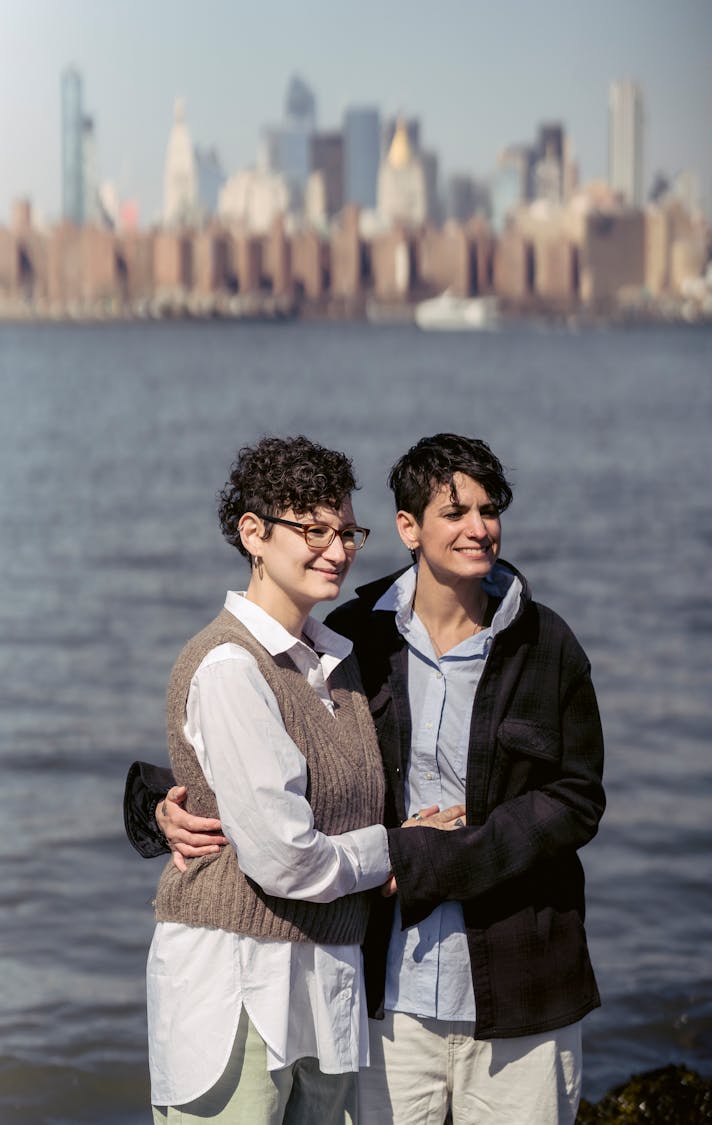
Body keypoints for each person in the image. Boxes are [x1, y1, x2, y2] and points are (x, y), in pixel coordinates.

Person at [126, 433, 605, 1125]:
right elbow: (260, 755)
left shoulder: (545, 644)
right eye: (456, 510)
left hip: (519, 986)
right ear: (409, 527)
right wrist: (158, 806)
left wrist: (432, 859)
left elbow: (577, 799)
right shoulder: (357, 640)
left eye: (490, 508)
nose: (480, 526)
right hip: (382, 994)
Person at [139, 434, 463, 1125]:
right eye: (313, 529)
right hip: (239, 992)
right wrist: (400, 849)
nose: (338, 548)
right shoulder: (229, 666)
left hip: (326, 992)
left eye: (347, 530)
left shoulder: (335, 666)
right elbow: (284, 855)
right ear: (253, 534)